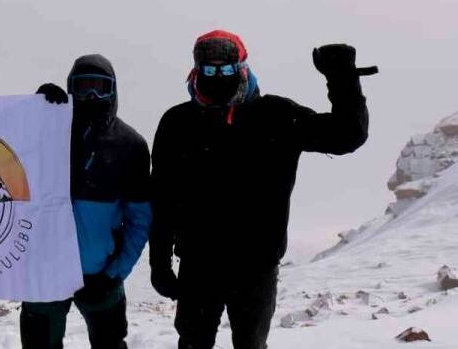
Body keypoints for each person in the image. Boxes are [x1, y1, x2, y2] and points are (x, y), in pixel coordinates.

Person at [148, 30, 373, 349]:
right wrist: (159, 262)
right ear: (197, 70)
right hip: (199, 265)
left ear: (241, 67)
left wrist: (342, 77)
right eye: (208, 70)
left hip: (256, 268)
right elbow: (163, 198)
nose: (217, 76)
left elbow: (346, 135)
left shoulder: (276, 115)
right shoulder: (177, 122)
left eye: (225, 69)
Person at [21, 55, 152, 349]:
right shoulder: (45, 132)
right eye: (83, 88)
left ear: (113, 90)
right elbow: (4, 158)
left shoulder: (130, 145)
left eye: (100, 88)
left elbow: (140, 220)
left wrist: (114, 273)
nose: (91, 96)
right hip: (45, 271)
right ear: (70, 89)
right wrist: (33, 113)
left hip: (100, 272)